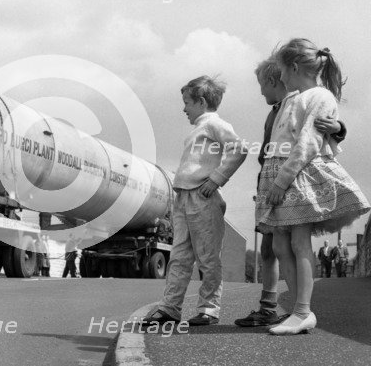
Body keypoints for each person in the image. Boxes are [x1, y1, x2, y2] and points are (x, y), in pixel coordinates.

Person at [255, 39, 370, 335]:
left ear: (293, 68)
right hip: (281, 172)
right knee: (280, 244)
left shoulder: (319, 96)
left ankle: (303, 312)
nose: (279, 77)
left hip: (297, 175)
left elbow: (309, 142)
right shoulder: (293, 98)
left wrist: (281, 181)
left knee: (298, 242)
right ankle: (297, 310)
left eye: (281, 70)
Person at [235, 58, 346, 327]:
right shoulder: (279, 107)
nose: (260, 91)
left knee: (288, 245)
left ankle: (291, 308)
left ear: (279, 79)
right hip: (273, 179)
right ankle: (285, 308)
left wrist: (340, 129)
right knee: (273, 247)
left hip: (290, 177)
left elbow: (314, 134)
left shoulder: (303, 99)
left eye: (263, 85)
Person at [144, 76, 247, 326]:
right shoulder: (198, 129)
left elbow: (239, 148)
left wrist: (216, 179)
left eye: (187, 102)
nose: (184, 108)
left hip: (203, 197)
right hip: (184, 197)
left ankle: (209, 309)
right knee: (179, 255)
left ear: (201, 102)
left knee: (208, 257)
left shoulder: (214, 124)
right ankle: (170, 307)